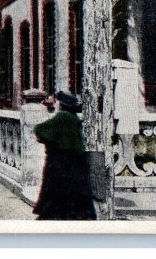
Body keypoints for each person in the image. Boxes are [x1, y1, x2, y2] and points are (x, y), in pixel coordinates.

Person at [33, 90, 97, 220]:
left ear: (61, 105)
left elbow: (40, 129)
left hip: (60, 162)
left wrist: (49, 141)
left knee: (56, 193)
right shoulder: (74, 118)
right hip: (76, 162)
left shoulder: (62, 117)